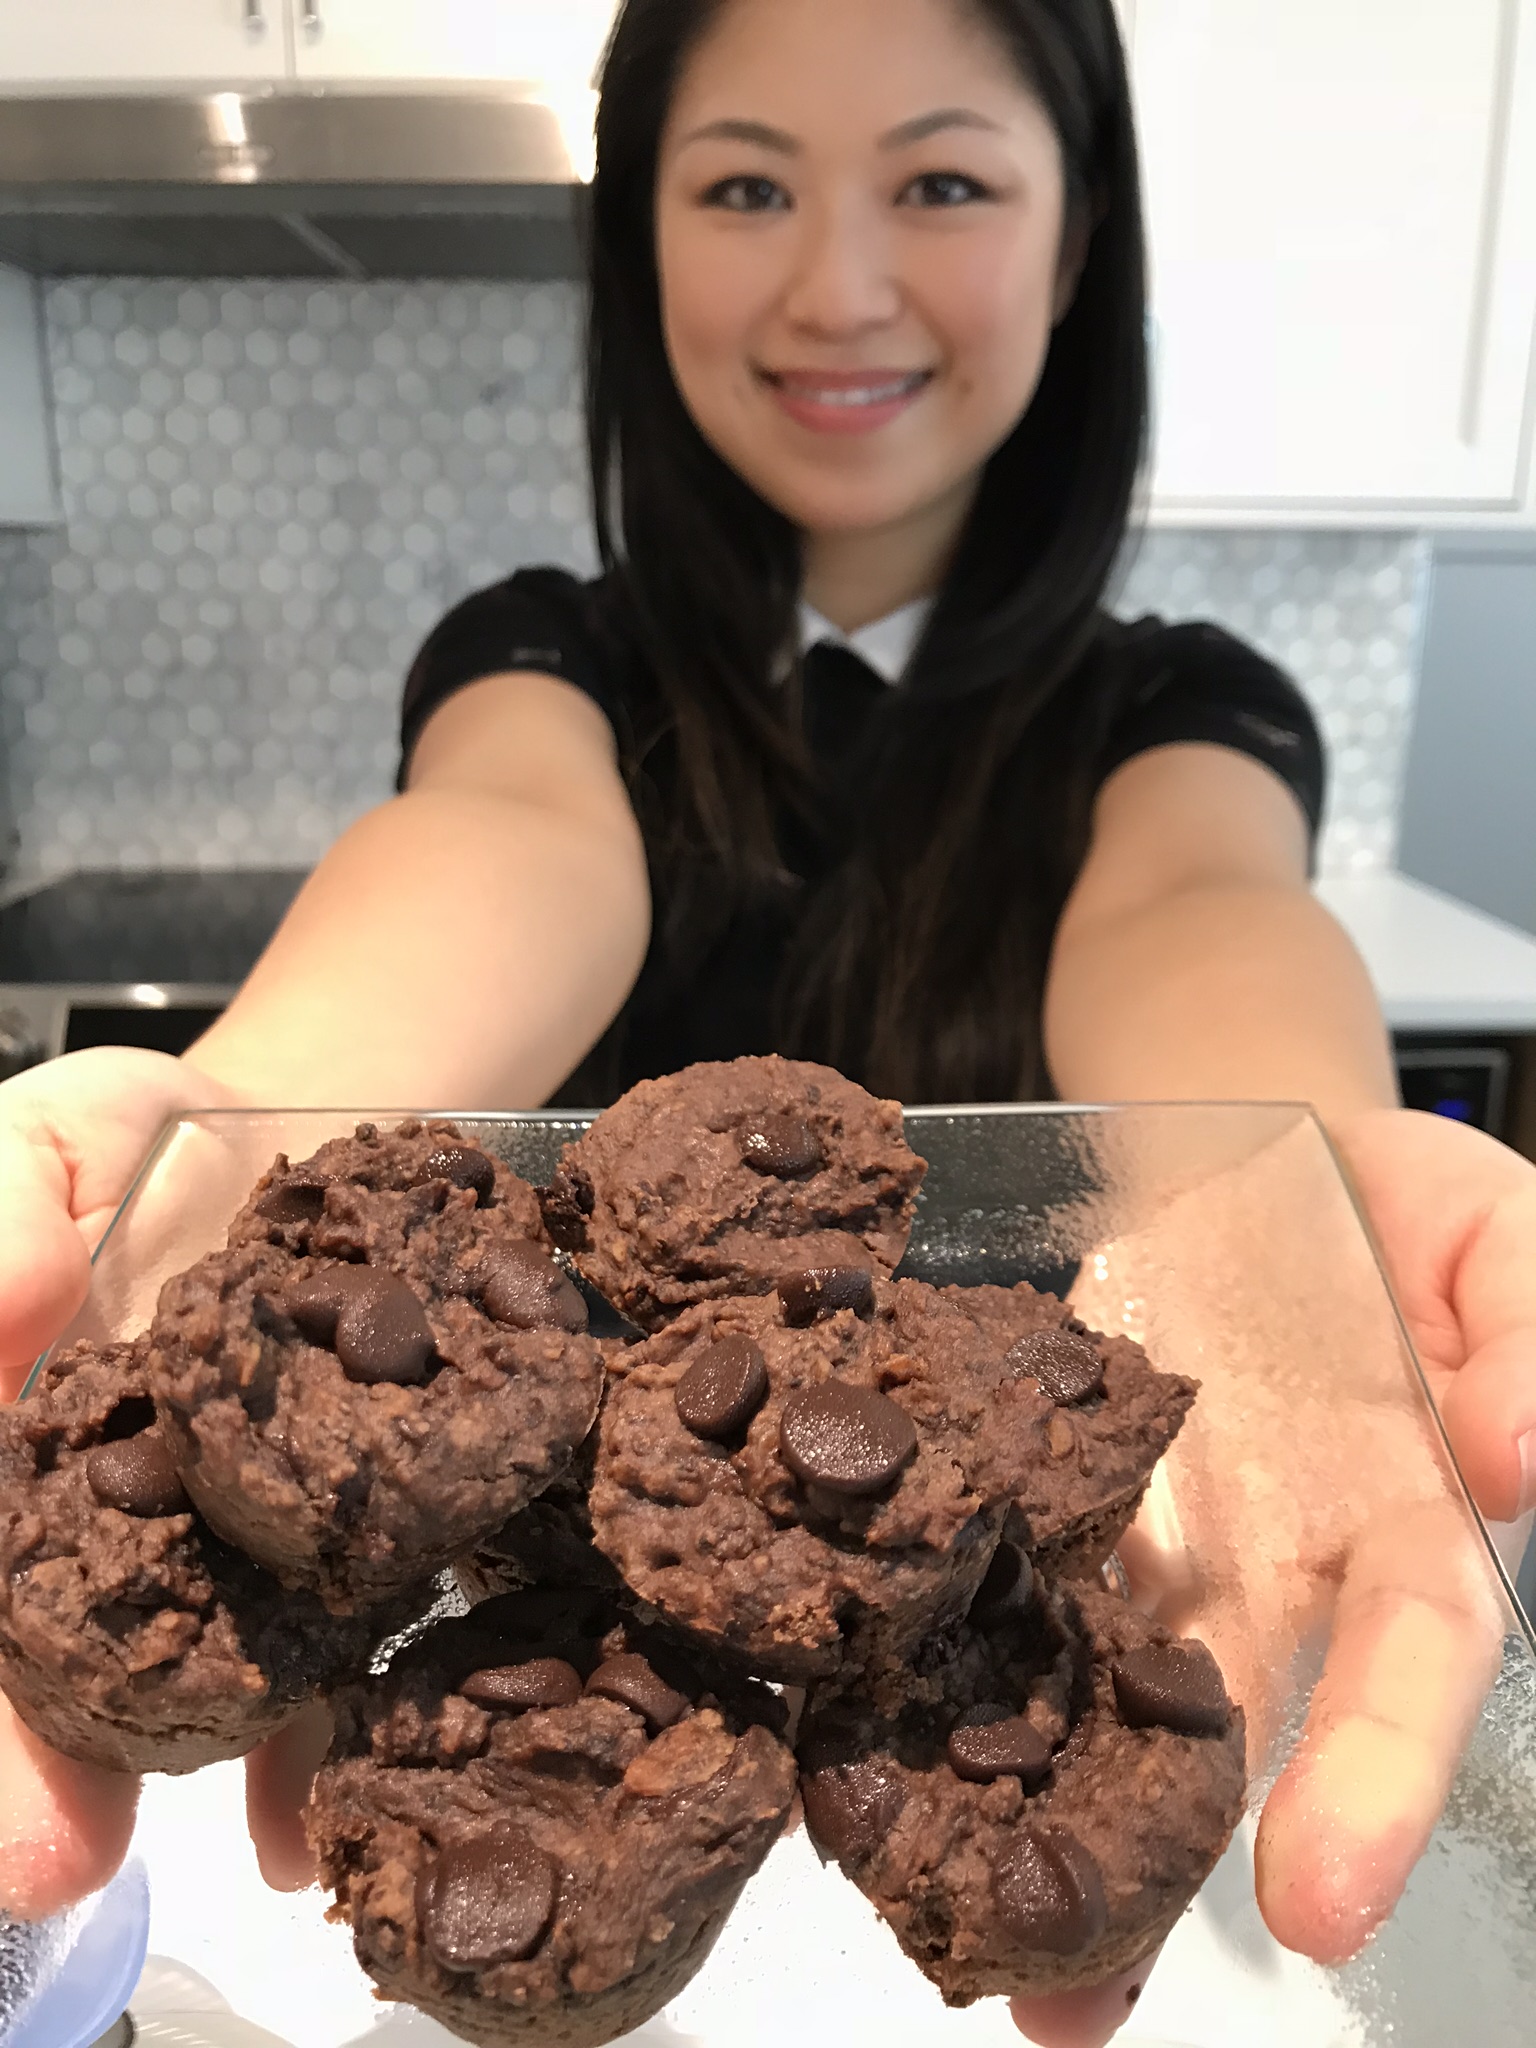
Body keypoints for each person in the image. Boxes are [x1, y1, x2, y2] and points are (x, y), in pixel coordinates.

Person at [1, 0, 1532, 2041]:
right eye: (743, 185)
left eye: (944, 181)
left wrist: (1297, 1169)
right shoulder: (546, 659)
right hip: (524, 1681)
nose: (838, 283)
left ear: (1080, 244)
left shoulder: (1180, 709)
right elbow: (505, 842)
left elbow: (1200, 909)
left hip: (1091, 1651)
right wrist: (255, 1094)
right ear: (639, 245)